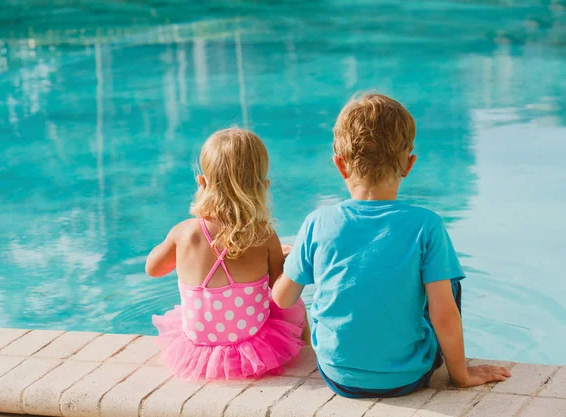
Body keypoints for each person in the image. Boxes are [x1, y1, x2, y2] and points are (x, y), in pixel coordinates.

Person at [272, 93, 511, 397]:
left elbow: (282, 299)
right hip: (407, 377)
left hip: (338, 375)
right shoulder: (426, 225)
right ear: (409, 164)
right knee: (446, 285)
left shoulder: (318, 223)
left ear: (340, 165)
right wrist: (461, 375)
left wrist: (290, 262)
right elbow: (444, 313)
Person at [146, 127, 306, 381]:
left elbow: (153, 269)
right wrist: (286, 259)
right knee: (296, 306)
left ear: (201, 182)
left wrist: (170, 242)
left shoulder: (184, 233)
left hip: (197, 346)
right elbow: (281, 293)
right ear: (263, 186)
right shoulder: (264, 236)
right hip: (253, 343)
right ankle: (308, 354)